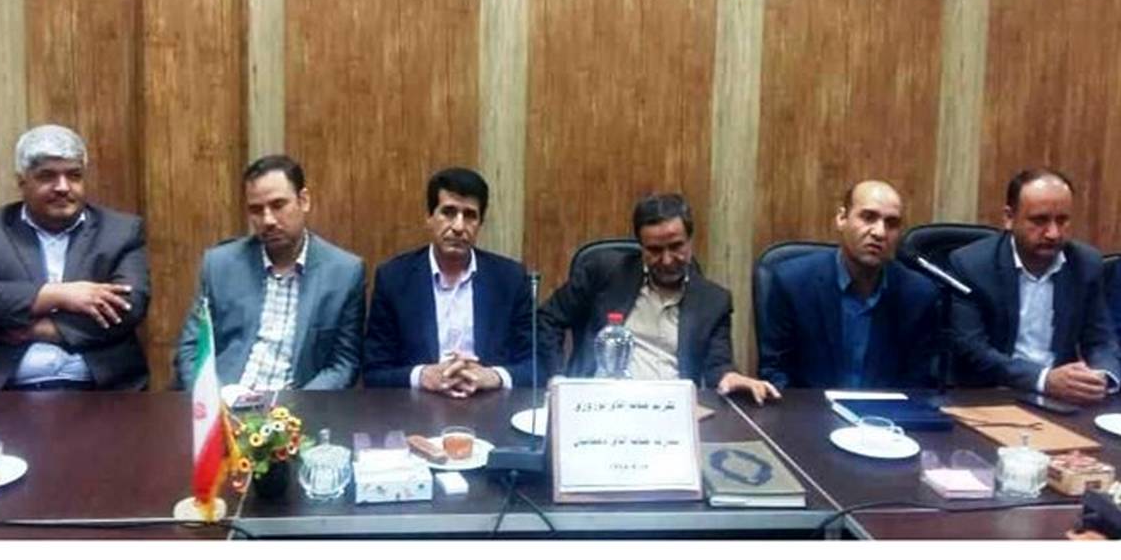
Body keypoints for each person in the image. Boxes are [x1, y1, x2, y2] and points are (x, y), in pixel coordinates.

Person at [0, 124, 150, 390]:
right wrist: (57, 295)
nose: (63, 187)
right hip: (3, 389)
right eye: (47, 176)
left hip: (100, 388)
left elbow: (129, 306)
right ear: (22, 181)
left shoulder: (120, 231)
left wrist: (38, 330)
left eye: (74, 175)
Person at [537, 192, 779, 403]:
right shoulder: (604, 272)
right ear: (641, 247)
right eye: (654, 250)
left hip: (672, 410)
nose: (667, 260)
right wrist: (557, 377)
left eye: (676, 246)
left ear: (690, 241)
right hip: (600, 402)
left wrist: (731, 377)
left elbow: (719, 364)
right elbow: (548, 318)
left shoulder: (713, 301)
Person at [174, 155, 365, 391]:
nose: (268, 220)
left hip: (298, 404)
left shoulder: (344, 273)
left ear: (303, 200)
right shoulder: (219, 264)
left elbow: (343, 365)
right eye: (256, 210)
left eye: (278, 205)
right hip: (225, 398)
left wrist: (297, 406)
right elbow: (192, 350)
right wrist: (214, 398)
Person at [950, 169, 1120, 403]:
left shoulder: (1085, 264)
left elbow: (1101, 340)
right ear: (1009, 218)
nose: (1053, 233)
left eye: (1062, 220)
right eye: (1040, 220)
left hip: (1060, 400)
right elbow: (972, 350)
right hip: (990, 395)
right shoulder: (971, 265)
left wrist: (1102, 375)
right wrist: (1043, 379)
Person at [362, 167, 533, 397]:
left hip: (490, 404)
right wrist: (422, 375)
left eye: (470, 215)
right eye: (449, 212)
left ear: (480, 223)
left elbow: (536, 364)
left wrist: (493, 376)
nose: (458, 227)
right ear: (429, 217)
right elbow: (374, 372)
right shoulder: (394, 278)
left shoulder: (510, 279)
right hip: (417, 407)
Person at [758, 180, 940, 390]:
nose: (880, 232)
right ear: (842, 218)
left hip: (886, 410)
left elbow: (918, 383)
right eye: (868, 217)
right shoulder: (792, 282)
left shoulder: (918, 294)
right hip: (811, 408)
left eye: (891, 223)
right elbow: (775, 371)